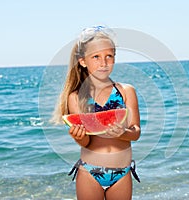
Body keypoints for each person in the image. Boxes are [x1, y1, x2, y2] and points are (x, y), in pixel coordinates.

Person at [53, 25, 141, 200]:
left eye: (109, 56)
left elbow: (136, 132)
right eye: (96, 57)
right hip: (89, 172)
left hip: (122, 174)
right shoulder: (76, 97)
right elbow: (87, 142)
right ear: (83, 61)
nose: (104, 63)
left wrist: (123, 133)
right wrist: (79, 137)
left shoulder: (126, 91)